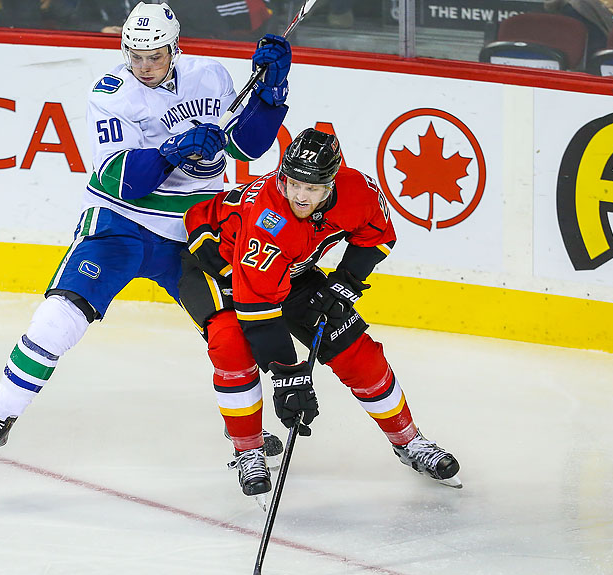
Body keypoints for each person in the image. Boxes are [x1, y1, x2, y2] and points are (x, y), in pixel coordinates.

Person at [0, 1, 291, 467]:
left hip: (197, 231)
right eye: (135, 55)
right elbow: (121, 179)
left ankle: (249, 438)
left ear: (174, 47)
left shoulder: (211, 77)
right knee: (57, 316)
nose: (143, 67)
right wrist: (172, 151)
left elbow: (247, 143)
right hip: (121, 223)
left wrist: (271, 92)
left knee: (230, 334)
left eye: (154, 56)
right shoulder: (111, 93)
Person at [179, 128, 462, 499]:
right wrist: (288, 377)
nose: (299, 195)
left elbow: (376, 237)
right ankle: (248, 450)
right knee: (231, 343)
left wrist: (344, 282)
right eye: (293, 183)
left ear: (331, 183)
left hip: (286, 269)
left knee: (357, 353)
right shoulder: (270, 218)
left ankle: (410, 442)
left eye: (311, 188)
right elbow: (258, 311)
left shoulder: (358, 190)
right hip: (217, 266)